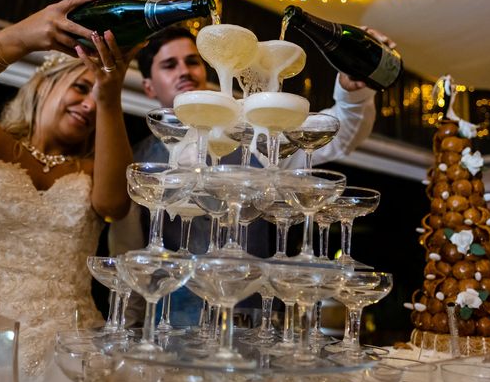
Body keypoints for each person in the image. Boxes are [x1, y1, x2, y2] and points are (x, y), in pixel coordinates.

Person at [109, 25, 388, 325]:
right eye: (169, 65)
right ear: (149, 86)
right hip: (168, 324)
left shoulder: (254, 134)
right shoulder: (138, 159)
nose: (185, 71)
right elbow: (129, 248)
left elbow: (338, 135)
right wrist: (128, 323)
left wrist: (352, 89)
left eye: (192, 61)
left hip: (247, 322)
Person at [0, 0, 141, 382]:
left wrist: (110, 93)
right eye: (80, 87)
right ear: (45, 84)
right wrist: (19, 38)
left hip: (72, 351)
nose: (87, 104)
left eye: (95, 94)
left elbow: (114, 206)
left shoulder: (91, 170)